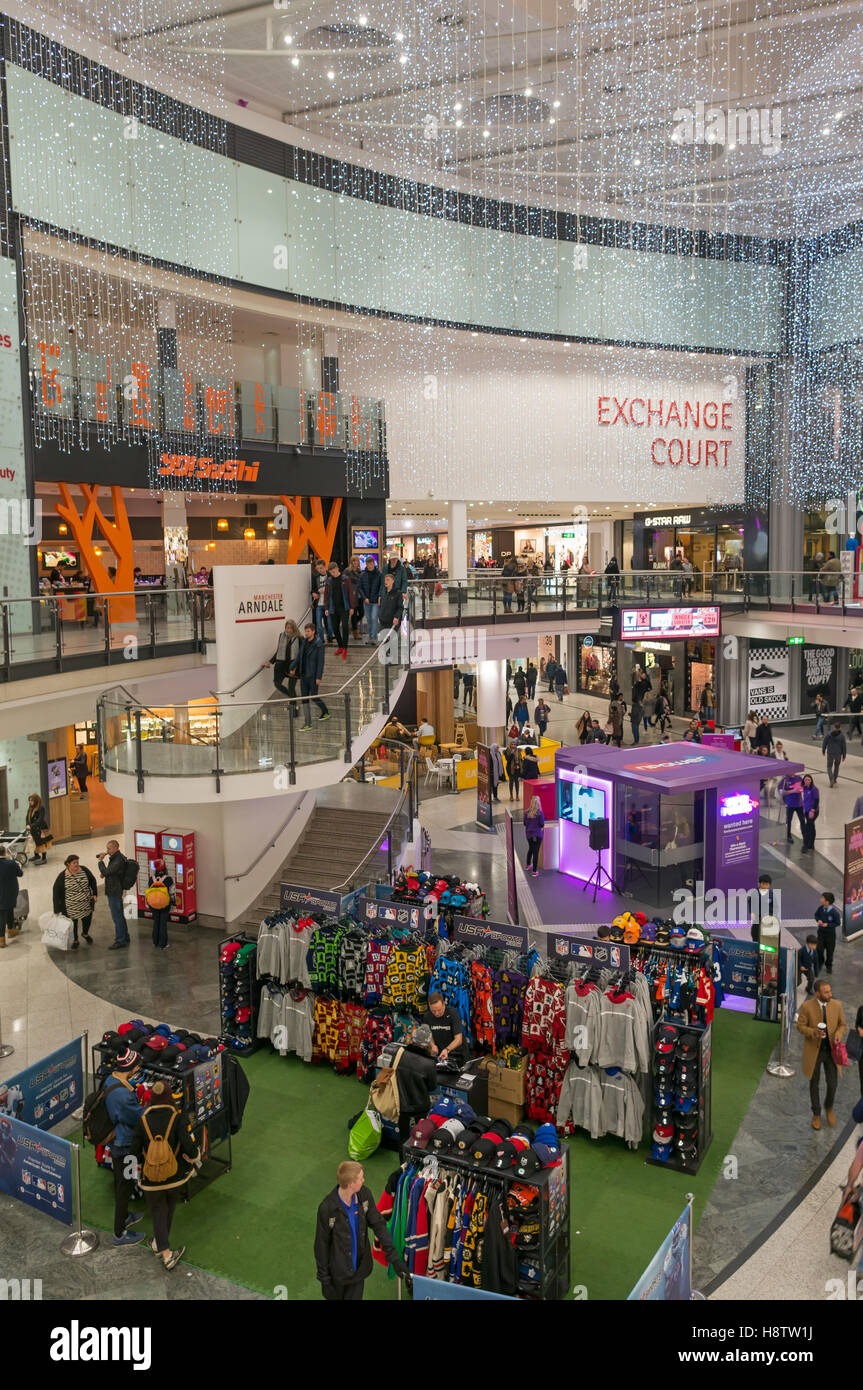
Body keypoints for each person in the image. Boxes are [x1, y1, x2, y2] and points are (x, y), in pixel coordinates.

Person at [315, 1160, 408, 1300]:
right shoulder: (327, 1208)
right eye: (360, 1178)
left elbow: (379, 1225)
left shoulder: (364, 1195)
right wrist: (324, 1279)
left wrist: (393, 1257)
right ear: (351, 1184)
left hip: (359, 1271)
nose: (363, 1180)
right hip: (337, 1276)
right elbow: (321, 1244)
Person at [131, 1079, 200, 1269]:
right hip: (175, 1176)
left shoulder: (143, 1120)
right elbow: (189, 1146)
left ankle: (158, 1244)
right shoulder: (177, 1117)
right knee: (168, 1210)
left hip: (151, 1178)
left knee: (157, 1212)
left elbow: (134, 1151)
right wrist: (194, 1156)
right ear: (170, 1097)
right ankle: (166, 1254)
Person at [104, 1046, 146, 1245]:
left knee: (122, 1180)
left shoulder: (110, 1080)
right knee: (125, 1185)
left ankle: (125, 1217)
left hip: (116, 1142)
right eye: (137, 1065)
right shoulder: (124, 1095)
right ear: (131, 1067)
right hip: (125, 1145)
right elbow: (136, 1117)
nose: (138, 1068)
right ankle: (119, 1233)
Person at [796, 979, 846, 1130]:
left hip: (831, 1051)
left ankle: (828, 1107)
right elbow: (800, 1026)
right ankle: (816, 1113)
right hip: (815, 1052)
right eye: (826, 992)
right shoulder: (806, 1007)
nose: (830, 994)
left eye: (830, 991)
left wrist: (838, 1034)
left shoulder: (837, 1005)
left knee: (833, 1084)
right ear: (817, 994)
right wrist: (813, 1032)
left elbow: (842, 1025)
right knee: (814, 1083)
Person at [52, 854, 97, 950]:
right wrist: (56, 908)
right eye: (74, 863)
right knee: (73, 924)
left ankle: (85, 933)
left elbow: (93, 881)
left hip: (85, 903)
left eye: (77, 862)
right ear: (68, 864)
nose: (77, 864)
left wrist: (94, 894)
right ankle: (75, 940)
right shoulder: (62, 876)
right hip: (71, 906)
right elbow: (56, 892)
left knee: (87, 920)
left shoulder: (84, 870)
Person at [97, 839, 132, 949]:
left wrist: (100, 862)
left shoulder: (118, 859)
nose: (107, 850)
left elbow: (107, 872)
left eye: (109, 848)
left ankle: (120, 940)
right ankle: (125, 936)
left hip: (114, 891)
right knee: (119, 914)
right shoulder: (116, 858)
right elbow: (110, 872)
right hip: (115, 889)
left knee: (117, 916)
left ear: (116, 848)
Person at [297, 622, 330, 729]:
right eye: (305, 631)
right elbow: (299, 657)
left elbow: (321, 662)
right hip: (303, 675)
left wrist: (318, 677)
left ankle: (325, 711)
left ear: (313, 631)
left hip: (313, 675)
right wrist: (292, 667)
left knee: (314, 696)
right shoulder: (304, 642)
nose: (306, 633)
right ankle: (307, 723)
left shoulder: (319, 644)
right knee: (304, 699)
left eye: (308, 631)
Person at [422, 992, 465, 1065]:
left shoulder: (453, 1013)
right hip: (439, 1056)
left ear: (443, 1004)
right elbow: (428, 1034)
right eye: (433, 1011)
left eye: (439, 1010)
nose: (436, 1013)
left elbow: (458, 1039)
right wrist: (432, 1045)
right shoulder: (427, 1016)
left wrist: (447, 1050)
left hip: (455, 1054)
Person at [266, 618, 302, 704]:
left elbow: (301, 655)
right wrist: (270, 662)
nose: (288, 630)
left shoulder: (299, 638)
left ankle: (293, 708)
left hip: (293, 666)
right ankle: (292, 697)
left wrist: (295, 667)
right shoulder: (282, 635)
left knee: (291, 687)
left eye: (290, 628)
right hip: (282, 664)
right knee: (277, 684)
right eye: (287, 627)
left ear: (294, 628)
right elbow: (278, 651)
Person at [325, 561, 354, 660]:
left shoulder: (345, 579)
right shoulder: (329, 581)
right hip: (333, 608)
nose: (332, 574)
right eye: (331, 572)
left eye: (334, 571)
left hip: (344, 607)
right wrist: (326, 608)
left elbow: (350, 593)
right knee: (335, 628)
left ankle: (345, 648)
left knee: (345, 627)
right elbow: (326, 595)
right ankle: (340, 646)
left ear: (338, 569)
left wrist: (351, 607)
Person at [147, 858, 174, 951]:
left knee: (156, 923)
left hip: (153, 905)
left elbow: (149, 892)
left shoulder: (151, 879)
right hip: (164, 905)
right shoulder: (168, 880)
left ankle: (155, 942)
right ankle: (163, 944)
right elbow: (172, 893)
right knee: (163, 924)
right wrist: (173, 904)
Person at [0, 845, 22, 949]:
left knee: (4, 912)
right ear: (5, 852)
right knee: (7, 911)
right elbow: (20, 874)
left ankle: (8, 932)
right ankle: (6, 934)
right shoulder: (11, 863)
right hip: (10, 892)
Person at [357, 556, 382, 644]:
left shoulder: (379, 574)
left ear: (374, 564)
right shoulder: (362, 575)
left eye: (371, 564)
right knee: (368, 619)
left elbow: (381, 587)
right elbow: (360, 587)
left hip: (375, 601)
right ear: (366, 564)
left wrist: (379, 596)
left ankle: (373, 637)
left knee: (374, 618)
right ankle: (370, 636)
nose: (370, 566)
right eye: (368, 564)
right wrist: (364, 598)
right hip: (366, 600)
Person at [815, 891, 841, 974]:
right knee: (819, 949)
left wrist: (828, 925)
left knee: (830, 951)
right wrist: (818, 920)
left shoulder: (834, 912)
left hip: (830, 935)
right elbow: (816, 915)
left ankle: (829, 965)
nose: (820, 899)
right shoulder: (820, 908)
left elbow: (837, 923)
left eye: (822, 898)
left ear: (827, 902)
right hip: (821, 933)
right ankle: (820, 962)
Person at [311, 558, 332, 644]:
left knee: (329, 622)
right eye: (318, 568)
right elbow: (312, 589)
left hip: (328, 603)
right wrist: (313, 593)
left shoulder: (330, 576)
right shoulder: (315, 577)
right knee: (318, 623)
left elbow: (335, 588)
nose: (320, 570)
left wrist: (327, 590)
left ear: (325, 567)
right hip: (319, 604)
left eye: (321, 568)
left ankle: (330, 637)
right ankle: (321, 639)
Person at [26, 793, 51, 865]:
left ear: (36, 801)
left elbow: (40, 820)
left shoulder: (41, 808)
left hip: (41, 828)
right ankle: (36, 856)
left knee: (41, 843)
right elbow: (27, 818)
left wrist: (31, 825)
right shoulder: (30, 808)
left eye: (31, 800)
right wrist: (28, 824)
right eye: (29, 800)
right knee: (35, 842)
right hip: (33, 828)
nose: (30, 802)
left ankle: (44, 858)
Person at [750, 873, 775, 942]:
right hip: (757, 918)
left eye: (767, 884)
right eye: (763, 884)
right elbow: (751, 903)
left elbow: (775, 907)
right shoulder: (754, 893)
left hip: (767, 919)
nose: (765, 886)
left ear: (769, 885)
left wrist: (771, 916)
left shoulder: (771, 894)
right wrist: (752, 912)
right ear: (759, 884)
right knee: (755, 934)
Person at [781, 768, 804, 843]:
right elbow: (782, 792)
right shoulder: (785, 780)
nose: (793, 772)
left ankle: (804, 835)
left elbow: (803, 788)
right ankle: (788, 836)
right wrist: (793, 791)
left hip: (799, 804)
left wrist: (801, 789)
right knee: (789, 821)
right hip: (790, 804)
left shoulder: (799, 778)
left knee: (802, 820)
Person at [378, 572, 404, 639]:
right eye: (385, 580)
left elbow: (400, 607)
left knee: (391, 642)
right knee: (383, 641)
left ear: (393, 581)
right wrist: (380, 615)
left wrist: (396, 617)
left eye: (388, 580)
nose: (385, 581)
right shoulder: (383, 592)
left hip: (392, 621)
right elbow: (381, 605)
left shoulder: (398, 593)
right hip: (383, 621)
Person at [524, 794, 545, 877]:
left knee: (531, 849)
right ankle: (535, 871)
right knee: (536, 852)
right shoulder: (540, 814)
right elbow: (542, 824)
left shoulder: (526, 813)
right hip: (537, 835)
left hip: (529, 835)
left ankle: (528, 865)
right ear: (538, 803)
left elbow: (525, 823)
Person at [822, 721, 847, 787]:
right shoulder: (842, 735)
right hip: (838, 754)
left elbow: (825, 742)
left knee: (829, 767)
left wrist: (823, 750)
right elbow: (844, 746)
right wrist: (844, 755)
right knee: (837, 766)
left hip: (830, 753)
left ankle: (831, 779)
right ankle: (835, 779)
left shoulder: (829, 734)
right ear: (840, 727)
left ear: (834, 727)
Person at [801, 774, 820, 854]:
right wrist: (804, 808)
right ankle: (811, 845)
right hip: (806, 810)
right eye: (805, 780)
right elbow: (805, 799)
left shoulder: (814, 789)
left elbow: (816, 800)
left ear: (811, 780)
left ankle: (806, 845)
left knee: (808, 827)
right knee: (811, 827)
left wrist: (812, 811)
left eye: (808, 780)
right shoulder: (805, 788)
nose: (807, 781)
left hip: (813, 811)